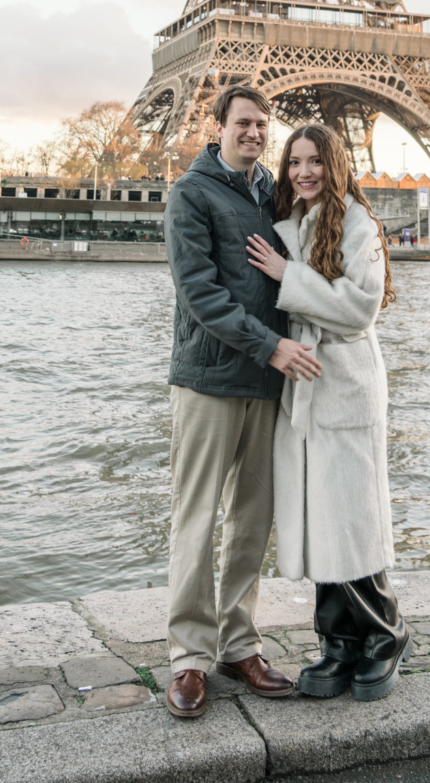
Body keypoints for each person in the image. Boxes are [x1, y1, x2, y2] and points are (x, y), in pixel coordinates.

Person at [162, 85, 318, 721]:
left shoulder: (273, 193)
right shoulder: (190, 194)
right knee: (196, 519)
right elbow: (199, 294)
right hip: (210, 379)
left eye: (262, 125)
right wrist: (274, 348)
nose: (254, 133)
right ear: (218, 125)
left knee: (252, 521)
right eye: (243, 123)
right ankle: (189, 658)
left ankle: (239, 644)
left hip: (265, 380)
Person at [246, 123, 411, 703]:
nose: (304, 172)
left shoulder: (361, 225)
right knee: (322, 518)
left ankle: (385, 634)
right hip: (304, 386)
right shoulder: (290, 224)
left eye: (315, 161)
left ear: (335, 164)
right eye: (294, 162)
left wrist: (287, 276)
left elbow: (359, 310)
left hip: (344, 385)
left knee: (353, 516)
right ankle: (337, 642)